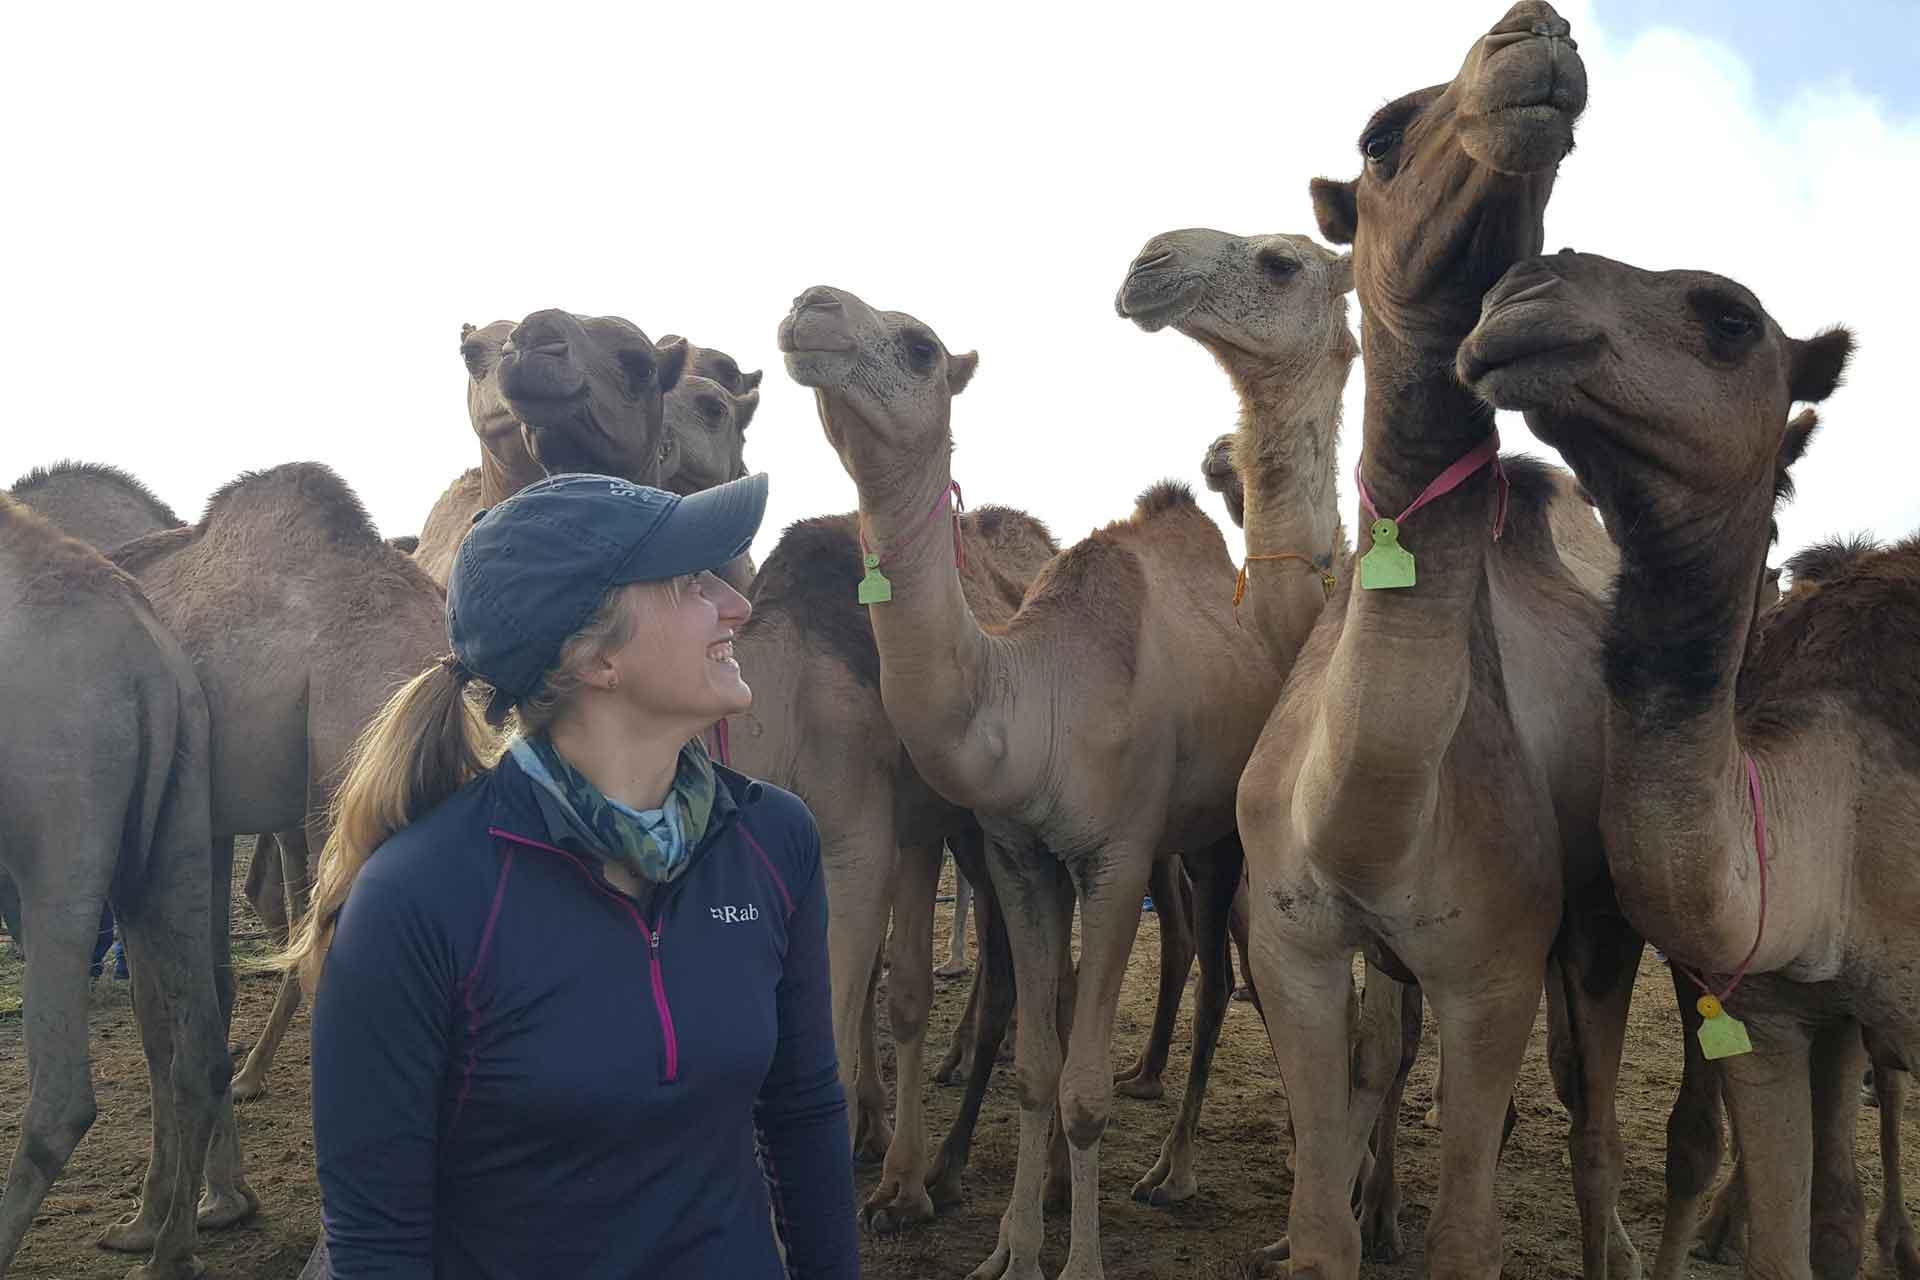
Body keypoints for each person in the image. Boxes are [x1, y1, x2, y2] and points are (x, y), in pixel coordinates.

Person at [286, 471, 859, 1279]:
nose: (737, 605)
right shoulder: (416, 899)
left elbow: (802, 1114)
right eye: (689, 583)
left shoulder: (772, 840)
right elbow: (378, 1238)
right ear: (595, 656)